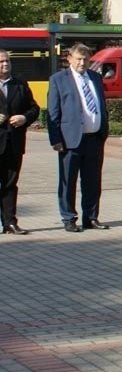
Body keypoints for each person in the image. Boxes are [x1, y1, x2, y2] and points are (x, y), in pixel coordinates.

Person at [48, 43, 109, 233]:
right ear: (70, 59)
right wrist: (55, 139)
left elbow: (101, 105)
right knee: (68, 181)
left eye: (86, 59)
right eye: (78, 59)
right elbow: (53, 111)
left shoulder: (95, 78)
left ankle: (91, 217)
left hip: (94, 138)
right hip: (70, 139)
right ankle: (68, 217)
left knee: (92, 180)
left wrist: (103, 131)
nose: (82, 63)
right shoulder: (58, 79)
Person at [0, 49, 40, 235]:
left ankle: (10, 222)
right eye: (1, 62)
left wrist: (24, 118)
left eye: (7, 61)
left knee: (10, 184)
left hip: (13, 144)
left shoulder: (20, 84)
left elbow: (34, 109)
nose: (5, 64)